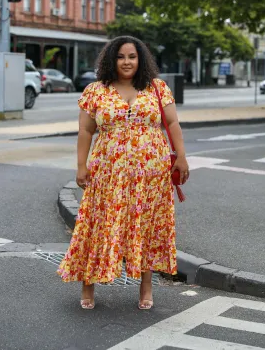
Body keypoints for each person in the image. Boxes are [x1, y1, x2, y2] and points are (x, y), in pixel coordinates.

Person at [57, 36, 189, 310]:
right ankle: (88, 283)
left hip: (151, 174)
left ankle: (146, 286)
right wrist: (81, 166)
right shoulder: (96, 90)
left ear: (140, 60)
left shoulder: (157, 88)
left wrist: (182, 158)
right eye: (120, 56)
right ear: (111, 60)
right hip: (108, 171)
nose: (127, 62)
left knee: (147, 226)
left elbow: (173, 123)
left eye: (132, 56)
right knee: (97, 223)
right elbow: (85, 131)